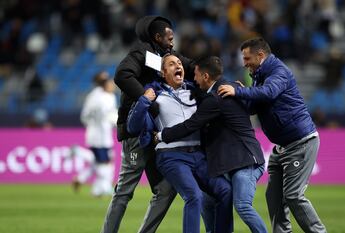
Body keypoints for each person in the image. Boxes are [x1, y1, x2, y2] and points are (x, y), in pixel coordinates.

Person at [218, 38, 327, 233]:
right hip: (281, 147)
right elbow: (253, 107)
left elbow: (268, 93)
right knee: (274, 197)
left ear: (260, 56)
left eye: (247, 58)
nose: (244, 63)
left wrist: (241, 91)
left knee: (293, 196)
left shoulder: (279, 71)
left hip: (300, 142)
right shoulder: (259, 75)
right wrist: (239, 95)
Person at [100, 16, 194, 233]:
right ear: (157, 37)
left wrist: (212, 74)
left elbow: (191, 66)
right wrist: (146, 99)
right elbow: (122, 75)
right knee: (125, 191)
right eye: (169, 38)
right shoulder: (142, 53)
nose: (172, 42)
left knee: (166, 189)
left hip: (156, 134)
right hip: (137, 130)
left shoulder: (167, 56)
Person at [158, 56, 268, 233]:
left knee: (243, 206)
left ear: (206, 76)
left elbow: (191, 125)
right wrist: (241, 89)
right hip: (233, 161)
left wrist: (162, 134)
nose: (194, 80)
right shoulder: (230, 88)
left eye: (196, 75)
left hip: (245, 160)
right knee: (208, 200)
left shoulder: (215, 98)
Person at [127, 54, 233, 233]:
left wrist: (236, 87)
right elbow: (132, 126)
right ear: (162, 73)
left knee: (226, 191)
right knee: (194, 196)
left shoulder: (196, 91)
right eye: (171, 64)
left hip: (199, 156)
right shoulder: (155, 95)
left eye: (179, 63)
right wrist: (144, 100)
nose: (178, 66)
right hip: (172, 156)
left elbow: (216, 88)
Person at [78, 71, 117, 197]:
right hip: (98, 135)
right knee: (103, 162)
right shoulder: (100, 97)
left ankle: (96, 188)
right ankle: (103, 188)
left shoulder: (102, 96)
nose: (112, 84)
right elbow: (88, 116)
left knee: (102, 161)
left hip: (103, 135)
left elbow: (85, 116)